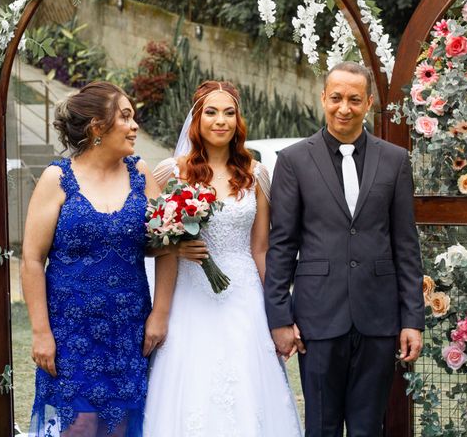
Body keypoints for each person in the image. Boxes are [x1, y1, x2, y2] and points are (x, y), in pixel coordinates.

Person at [265, 62, 425, 437]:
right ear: (323, 98)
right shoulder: (293, 161)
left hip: (379, 316)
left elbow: (405, 244)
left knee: (369, 427)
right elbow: (282, 245)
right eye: (336, 97)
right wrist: (279, 318)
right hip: (318, 317)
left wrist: (412, 319)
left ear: (368, 103)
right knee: (321, 426)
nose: (344, 107)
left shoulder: (394, 160)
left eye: (354, 99)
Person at [142, 81, 302, 436]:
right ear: (196, 119)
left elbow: (261, 249)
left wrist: (281, 313)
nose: (221, 121)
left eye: (229, 113)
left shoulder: (256, 173)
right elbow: (144, 238)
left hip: (243, 297)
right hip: (188, 297)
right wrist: (174, 247)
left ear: (238, 120)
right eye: (211, 112)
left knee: (247, 387)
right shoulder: (172, 171)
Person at [22, 82, 160, 436]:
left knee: (120, 425)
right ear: (98, 127)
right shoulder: (57, 179)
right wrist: (40, 332)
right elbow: (32, 259)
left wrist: (160, 314)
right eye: (125, 117)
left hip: (128, 329)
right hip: (71, 332)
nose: (134, 126)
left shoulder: (140, 173)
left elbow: (168, 247)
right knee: (79, 425)